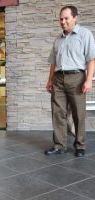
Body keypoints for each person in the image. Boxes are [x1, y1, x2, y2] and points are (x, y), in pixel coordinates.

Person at [45, 5, 95, 157]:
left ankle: (80, 145)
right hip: (58, 78)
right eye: (61, 19)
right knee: (57, 112)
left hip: (77, 77)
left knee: (78, 114)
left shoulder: (85, 34)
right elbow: (53, 63)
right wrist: (49, 80)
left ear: (75, 18)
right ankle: (59, 145)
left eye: (66, 18)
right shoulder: (58, 39)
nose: (63, 21)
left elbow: (91, 59)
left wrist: (89, 80)